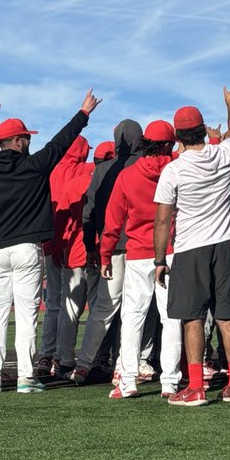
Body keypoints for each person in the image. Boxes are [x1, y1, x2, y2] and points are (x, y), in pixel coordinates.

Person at [0, 91, 101, 394]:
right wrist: (83, 114)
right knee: (26, 315)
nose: (29, 142)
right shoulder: (34, 166)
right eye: (26, 138)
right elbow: (61, 143)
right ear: (16, 141)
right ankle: (26, 376)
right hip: (27, 248)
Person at [153, 90, 230, 407]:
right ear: (204, 129)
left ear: (177, 136)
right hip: (224, 244)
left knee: (192, 318)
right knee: (228, 317)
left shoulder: (174, 170)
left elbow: (163, 220)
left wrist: (159, 259)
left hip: (190, 248)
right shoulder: (223, 154)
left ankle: (196, 387)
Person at [101, 120, 182, 400]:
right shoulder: (177, 168)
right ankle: (170, 382)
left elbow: (113, 221)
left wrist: (106, 255)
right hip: (170, 250)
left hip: (138, 254)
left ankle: (128, 381)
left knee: (133, 317)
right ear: (168, 144)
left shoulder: (128, 175)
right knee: (171, 318)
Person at [71, 122, 144, 383]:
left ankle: (84, 363)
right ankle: (127, 366)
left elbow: (88, 213)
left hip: (110, 247)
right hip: (140, 246)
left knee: (103, 307)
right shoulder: (145, 164)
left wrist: (91, 247)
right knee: (136, 310)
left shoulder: (101, 170)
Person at [40, 136, 92, 379]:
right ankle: (63, 357)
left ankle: (46, 354)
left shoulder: (50, 170)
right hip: (74, 245)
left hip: (50, 241)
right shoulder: (84, 170)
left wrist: (52, 245)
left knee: (53, 303)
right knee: (73, 305)